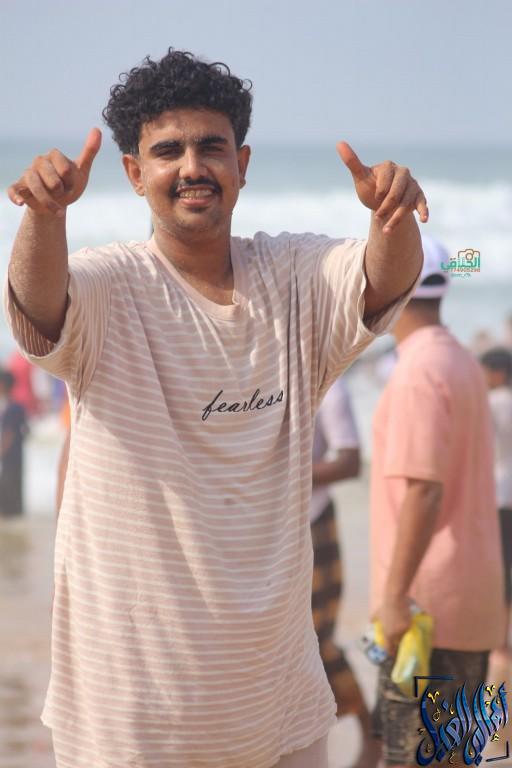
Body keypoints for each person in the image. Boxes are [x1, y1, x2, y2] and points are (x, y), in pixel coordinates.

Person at [5, 49, 427, 768]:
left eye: (212, 147)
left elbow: (381, 281)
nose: (192, 167)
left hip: (278, 707)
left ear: (243, 163)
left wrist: (392, 217)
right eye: (167, 151)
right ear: (134, 172)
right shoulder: (110, 288)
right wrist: (44, 219)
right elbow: (40, 306)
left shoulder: (292, 276)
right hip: (135, 719)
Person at [369, 236, 506, 767]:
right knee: (451, 757)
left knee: (413, 757)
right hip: (468, 599)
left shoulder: (418, 371)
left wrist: (393, 596)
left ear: (394, 284)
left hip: (426, 609)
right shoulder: (462, 361)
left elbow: (424, 488)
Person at [311, 376, 379, 768]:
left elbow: (350, 462)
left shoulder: (328, 382)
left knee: (318, 640)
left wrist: (276, 475)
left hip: (312, 522)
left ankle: (372, 734)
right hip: (258, 528)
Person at [480, 347, 512, 645]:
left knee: (502, 567)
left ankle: (501, 640)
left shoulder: (493, 403)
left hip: (500, 494)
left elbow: (483, 449)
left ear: (499, 373)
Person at [0, 369, 28, 517]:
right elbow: (26, 431)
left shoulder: (9, 409)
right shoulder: (18, 407)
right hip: (18, 455)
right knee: (16, 490)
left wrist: (2, 451)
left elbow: (8, 434)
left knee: (7, 489)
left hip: (8, 456)